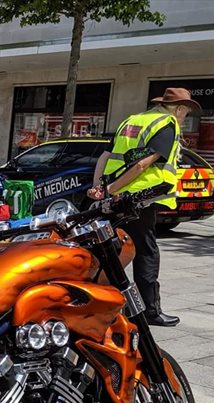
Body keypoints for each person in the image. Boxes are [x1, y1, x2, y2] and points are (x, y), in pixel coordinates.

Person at [88, 87, 200, 327]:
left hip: (116, 197)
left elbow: (104, 157)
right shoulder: (166, 124)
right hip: (140, 198)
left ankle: (103, 302)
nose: (184, 117)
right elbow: (141, 166)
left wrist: (100, 188)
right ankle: (149, 311)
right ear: (180, 108)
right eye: (186, 112)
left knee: (112, 250)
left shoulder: (131, 120)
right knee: (146, 252)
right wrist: (112, 189)